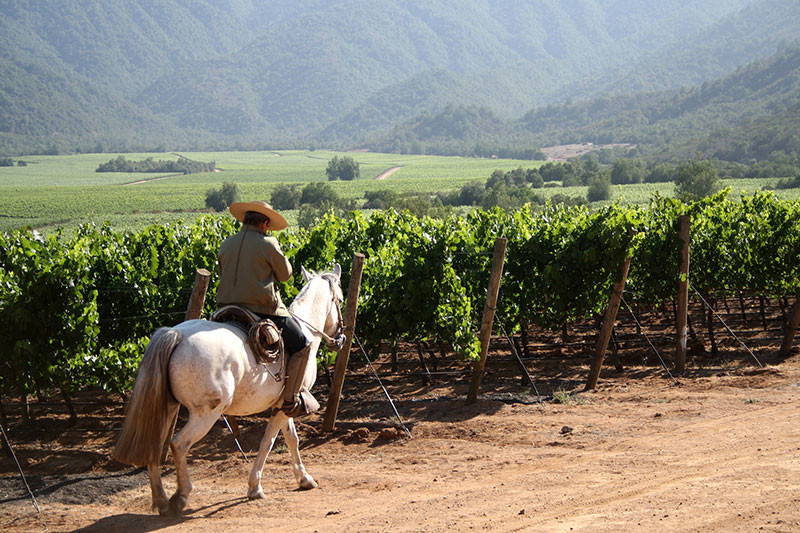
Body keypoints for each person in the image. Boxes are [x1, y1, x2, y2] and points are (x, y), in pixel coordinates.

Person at [216, 200, 316, 417]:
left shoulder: (226, 244)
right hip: (261, 309)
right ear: (264, 224)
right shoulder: (268, 244)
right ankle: (291, 399)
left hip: (225, 309)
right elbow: (286, 275)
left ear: (245, 221)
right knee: (303, 346)